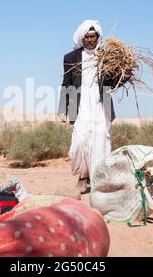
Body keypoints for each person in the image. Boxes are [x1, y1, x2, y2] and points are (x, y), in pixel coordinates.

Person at [57, 19, 116, 194]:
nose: (90, 40)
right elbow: (66, 83)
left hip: (100, 104)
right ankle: (82, 175)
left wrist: (123, 72)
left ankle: (93, 180)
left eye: (93, 36)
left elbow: (113, 81)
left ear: (98, 37)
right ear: (82, 39)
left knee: (100, 143)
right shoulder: (70, 58)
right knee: (79, 143)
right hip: (80, 104)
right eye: (87, 37)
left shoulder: (107, 57)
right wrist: (63, 108)